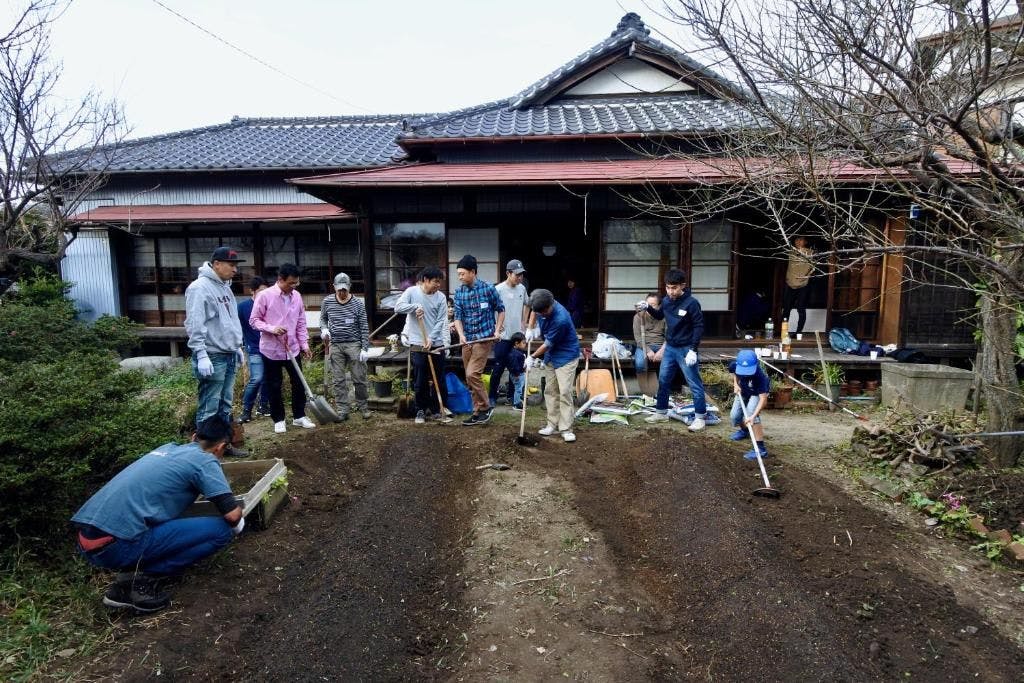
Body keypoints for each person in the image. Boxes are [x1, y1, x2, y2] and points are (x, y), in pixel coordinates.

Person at [71, 415, 244, 614]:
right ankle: (140, 578)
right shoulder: (204, 460)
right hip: (114, 546)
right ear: (221, 447)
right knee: (221, 530)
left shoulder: (166, 449)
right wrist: (240, 519)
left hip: (87, 539)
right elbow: (232, 516)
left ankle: (131, 574)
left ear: (193, 436)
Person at [184, 246, 247, 456]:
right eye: (231, 265)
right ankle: (201, 453)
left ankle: (223, 445)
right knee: (209, 406)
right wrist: (201, 354)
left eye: (236, 265)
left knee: (225, 405)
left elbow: (229, 322)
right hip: (212, 355)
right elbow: (195, 324)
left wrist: (236, 347)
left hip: (227, 353)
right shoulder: (199, 288)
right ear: (217, 264)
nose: (235, 270)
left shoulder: (225, 287)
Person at [249, 263, 315, 434]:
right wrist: (272, 328)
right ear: (280, 279)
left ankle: (299, 416)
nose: (294, 286)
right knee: (274, 385)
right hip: (271, 349)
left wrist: (304, 344)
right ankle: (278, 419)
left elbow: (301, 322)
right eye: (291, 283)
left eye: (296, 283)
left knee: (298, 382)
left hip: (292, 348)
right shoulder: (264, 296)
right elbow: (254, 320)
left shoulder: (297, 297)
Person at [642, 268, 708, 430]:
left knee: (694, 383)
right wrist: (648, 308)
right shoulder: (665, 301)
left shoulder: (691, 303)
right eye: (668, 288)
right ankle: (661, 412)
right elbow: (659, 316)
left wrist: (693, 349)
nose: (670, 291)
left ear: (682, 286)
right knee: (664, 381)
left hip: (686, 348)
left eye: (674, 288)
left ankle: (700, 418)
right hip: (670, 347)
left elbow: (699, 326)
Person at [452, 254, 505, 425]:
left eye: (462, 273)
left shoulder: (488, 289)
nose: (459, 277)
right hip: (466, 340)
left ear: (473, 272)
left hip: (484, 338)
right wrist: (461, 335)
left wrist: (497, 330)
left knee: (472, 373)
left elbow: (501, 309)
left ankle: (486, 407)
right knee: (470, 378)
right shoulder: (459, 292)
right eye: (458, 274)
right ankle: (477, 412)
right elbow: (458, 317)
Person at [394, 266, 450, 424]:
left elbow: (441, 320)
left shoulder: (440, 297)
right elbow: (397, 307)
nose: (438, 285)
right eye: (435, 282)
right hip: (418, 343)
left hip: (435, 343)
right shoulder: (412, 292)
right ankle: (420, 409)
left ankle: (437, 408)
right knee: (420, 379)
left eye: (440, 282)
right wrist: (414, 307)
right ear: (425, 280)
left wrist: (431, 338)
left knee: (438, 378)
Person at [526, 288, 580, 442]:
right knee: (550, 390)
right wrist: (530, 328)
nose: (542, 314)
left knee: (564, 392)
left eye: (544, 311)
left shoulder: (561, 318)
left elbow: (548, 344)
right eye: (539, 312)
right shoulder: (539, 307)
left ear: (551, 304)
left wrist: (531, 356)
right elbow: (533, 312)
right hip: (551, 356)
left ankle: (566, 428)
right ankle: (552, 424)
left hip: (566, 356)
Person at [320, 272, 371, 420]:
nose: (342, 292)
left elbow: (364, 326)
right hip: (335, 343)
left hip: (354, 343)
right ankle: (343, 410)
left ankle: (363, 406)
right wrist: (324, 329)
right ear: (334, 287)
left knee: (359, 377)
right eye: (339, 289)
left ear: (349, 288)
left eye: (345, 289)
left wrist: (364, 348)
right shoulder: (327, 302)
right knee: (338, 379)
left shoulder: (358, 304)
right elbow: (323, 319)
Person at [489, 259, 529, 407]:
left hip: (516, 336)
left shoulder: (522, 289)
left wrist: (524, 323)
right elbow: (490, 310)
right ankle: (492, 397)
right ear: (508, 273)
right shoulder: (498, 289)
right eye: (517, 275)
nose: (520, 278)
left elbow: (528, 304)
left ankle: (513, 398)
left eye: (521, 275)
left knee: (516, 368)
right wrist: (495, 328)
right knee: (498, 367)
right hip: (503, 336)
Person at [238, 276, 270, 422]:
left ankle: (263, 406)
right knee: (256, 378)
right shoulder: (243, 307)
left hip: (270, 348)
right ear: (252, 291)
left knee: (268, 379)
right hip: (254, 348)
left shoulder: (270, 304)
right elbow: (235, 327)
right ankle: (246, 410)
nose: (264, 294)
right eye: (261, 291)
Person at [729, 349, 770, 460]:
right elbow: (735, 373)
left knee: (751, 414)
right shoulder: (734, 365)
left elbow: (763, 399)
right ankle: (745, 431)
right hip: (744, 389)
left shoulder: (760, 377)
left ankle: (761, 449)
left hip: (757, 393)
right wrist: (736, 385)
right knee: (735, 416)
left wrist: (753, 416)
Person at [782, 236, 814, 334]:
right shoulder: (790, 252)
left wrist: (805, 277)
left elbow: (812, 268)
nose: (798, 242)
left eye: (801, 240)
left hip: (803, 284)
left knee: (801, 309)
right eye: (796, 240)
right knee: (786, 309)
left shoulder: (809, 253)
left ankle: (798, 332)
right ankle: (783, 331)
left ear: (805, 241)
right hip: (790, 283)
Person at [632, 292, 665, 372]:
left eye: (652, 305)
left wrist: (661, 351)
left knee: (668, 365)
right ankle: (644, 383)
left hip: (661, 346)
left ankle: (662, 382)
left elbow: (669, 337)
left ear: (659, 306)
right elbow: (638, 338)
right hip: (643, 346)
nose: (648, 307)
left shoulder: (664, 317)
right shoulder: (638, 317)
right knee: (640, 364)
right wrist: (648, 350)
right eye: (647, 304)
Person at [507, 331, 528, 409]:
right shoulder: (515, 354)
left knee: (519, 387)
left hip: (519, 373)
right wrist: (517, 374)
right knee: (518, 388)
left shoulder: (518, 352)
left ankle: (517, 399)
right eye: (523, 343)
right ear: (516, 343)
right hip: (518, 374)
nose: (525, 344)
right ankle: (517, 404)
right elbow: (514, 366)